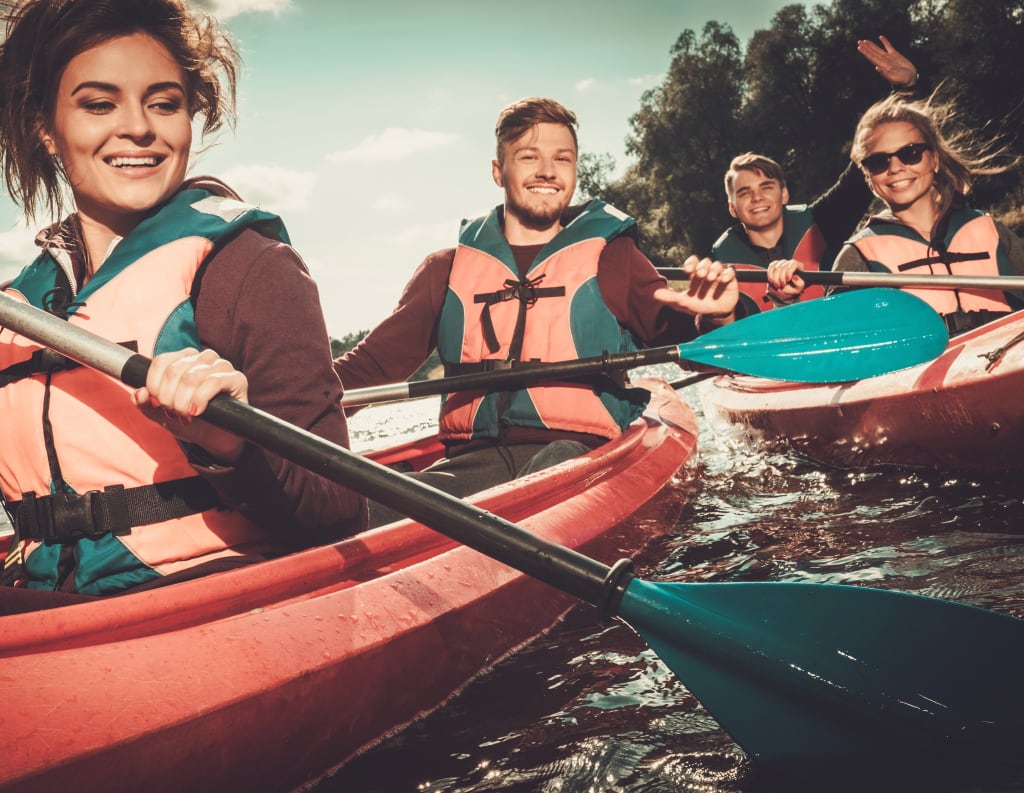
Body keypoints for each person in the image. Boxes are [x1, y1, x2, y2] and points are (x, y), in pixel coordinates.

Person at [0, 0, 364, 632]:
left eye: (164, 102)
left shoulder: (250, 268)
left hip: (205, 601)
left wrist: (228, 443)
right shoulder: (20, 303)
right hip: (57, 601)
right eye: (99, 103)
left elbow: (337, 509)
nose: (138, 128)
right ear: (45, 128)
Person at [334, 97, 740, 527]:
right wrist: (277, 397)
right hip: (475, 466)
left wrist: (716, 320)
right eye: (529, 157)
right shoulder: (445, 270)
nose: (548, 170)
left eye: (562, 158)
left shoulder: (612, 260)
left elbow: (698, 350)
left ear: (574, 170)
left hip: (585, 458)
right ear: (498, 171)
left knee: (556, 461)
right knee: (355, 517)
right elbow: (368, 368)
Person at [714, 37, 919, 311]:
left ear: (784, 194)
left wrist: (906, 89)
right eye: (744, 192)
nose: (757, 197)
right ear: (732, 207)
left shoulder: (823, 222)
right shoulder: (722, 264)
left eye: (766, 187)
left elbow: (867, 162)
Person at [830, 94, 1024, 334]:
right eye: (878, 162)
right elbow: (839, 339)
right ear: (868, 177)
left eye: (910, 153)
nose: (896, 168)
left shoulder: (989, 229)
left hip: (1007, 357)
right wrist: (787, 298)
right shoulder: (857, 256)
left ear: (934, 159)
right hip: (923, 368)